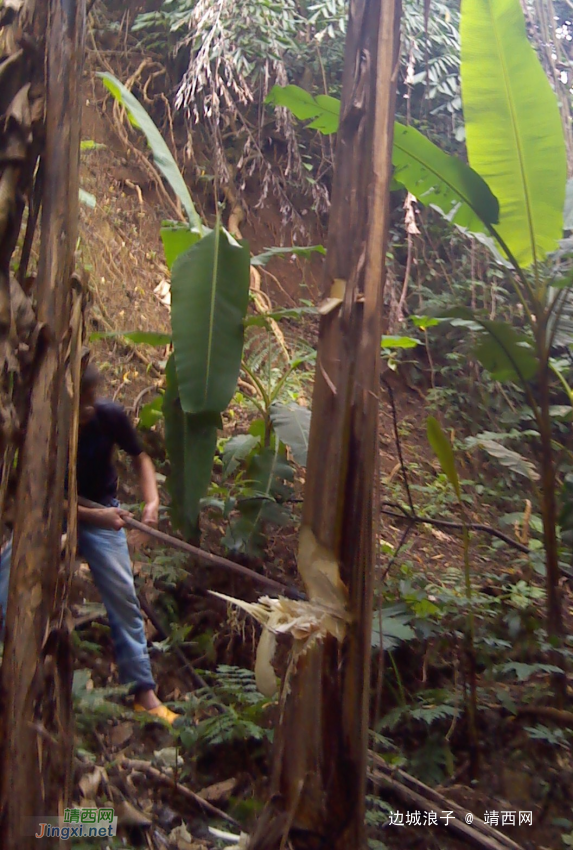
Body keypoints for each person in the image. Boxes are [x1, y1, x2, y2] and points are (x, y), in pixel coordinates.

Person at [0, 358, 178, 725]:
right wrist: (97, 517)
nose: (88, 406)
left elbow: (140, 457)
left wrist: (152, 502)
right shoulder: (48, 425)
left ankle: (144, 693)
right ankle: (15, 668)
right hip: (49, 513)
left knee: (124, 597)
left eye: (92, 398)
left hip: (103, 511)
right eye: (81, 398)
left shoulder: (109, 416)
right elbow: (46, 494)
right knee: (5, 583)